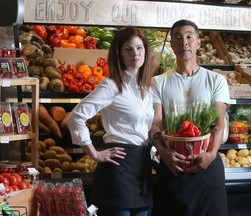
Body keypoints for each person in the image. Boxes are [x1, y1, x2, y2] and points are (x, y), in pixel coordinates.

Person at [67, 26, 154, 216]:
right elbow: (75, 117)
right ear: (119, 54)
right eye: (128, 49)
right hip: (118, 166)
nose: (135, 54)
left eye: (139, 48)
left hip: (142, 165)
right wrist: (94, 154)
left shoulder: (147, 89)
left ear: (146, 51)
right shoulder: (111, 85)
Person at [150, 19, 230, 216]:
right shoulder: (158, 82)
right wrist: (163, 152)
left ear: (198, 42)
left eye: (189, 36)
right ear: (171, 44)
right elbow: (155, 122)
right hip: (173, 163)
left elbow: (218, 122)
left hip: (207, 163)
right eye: (177, 37)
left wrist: (211, 154)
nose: (183, 41)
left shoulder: (216, 80)